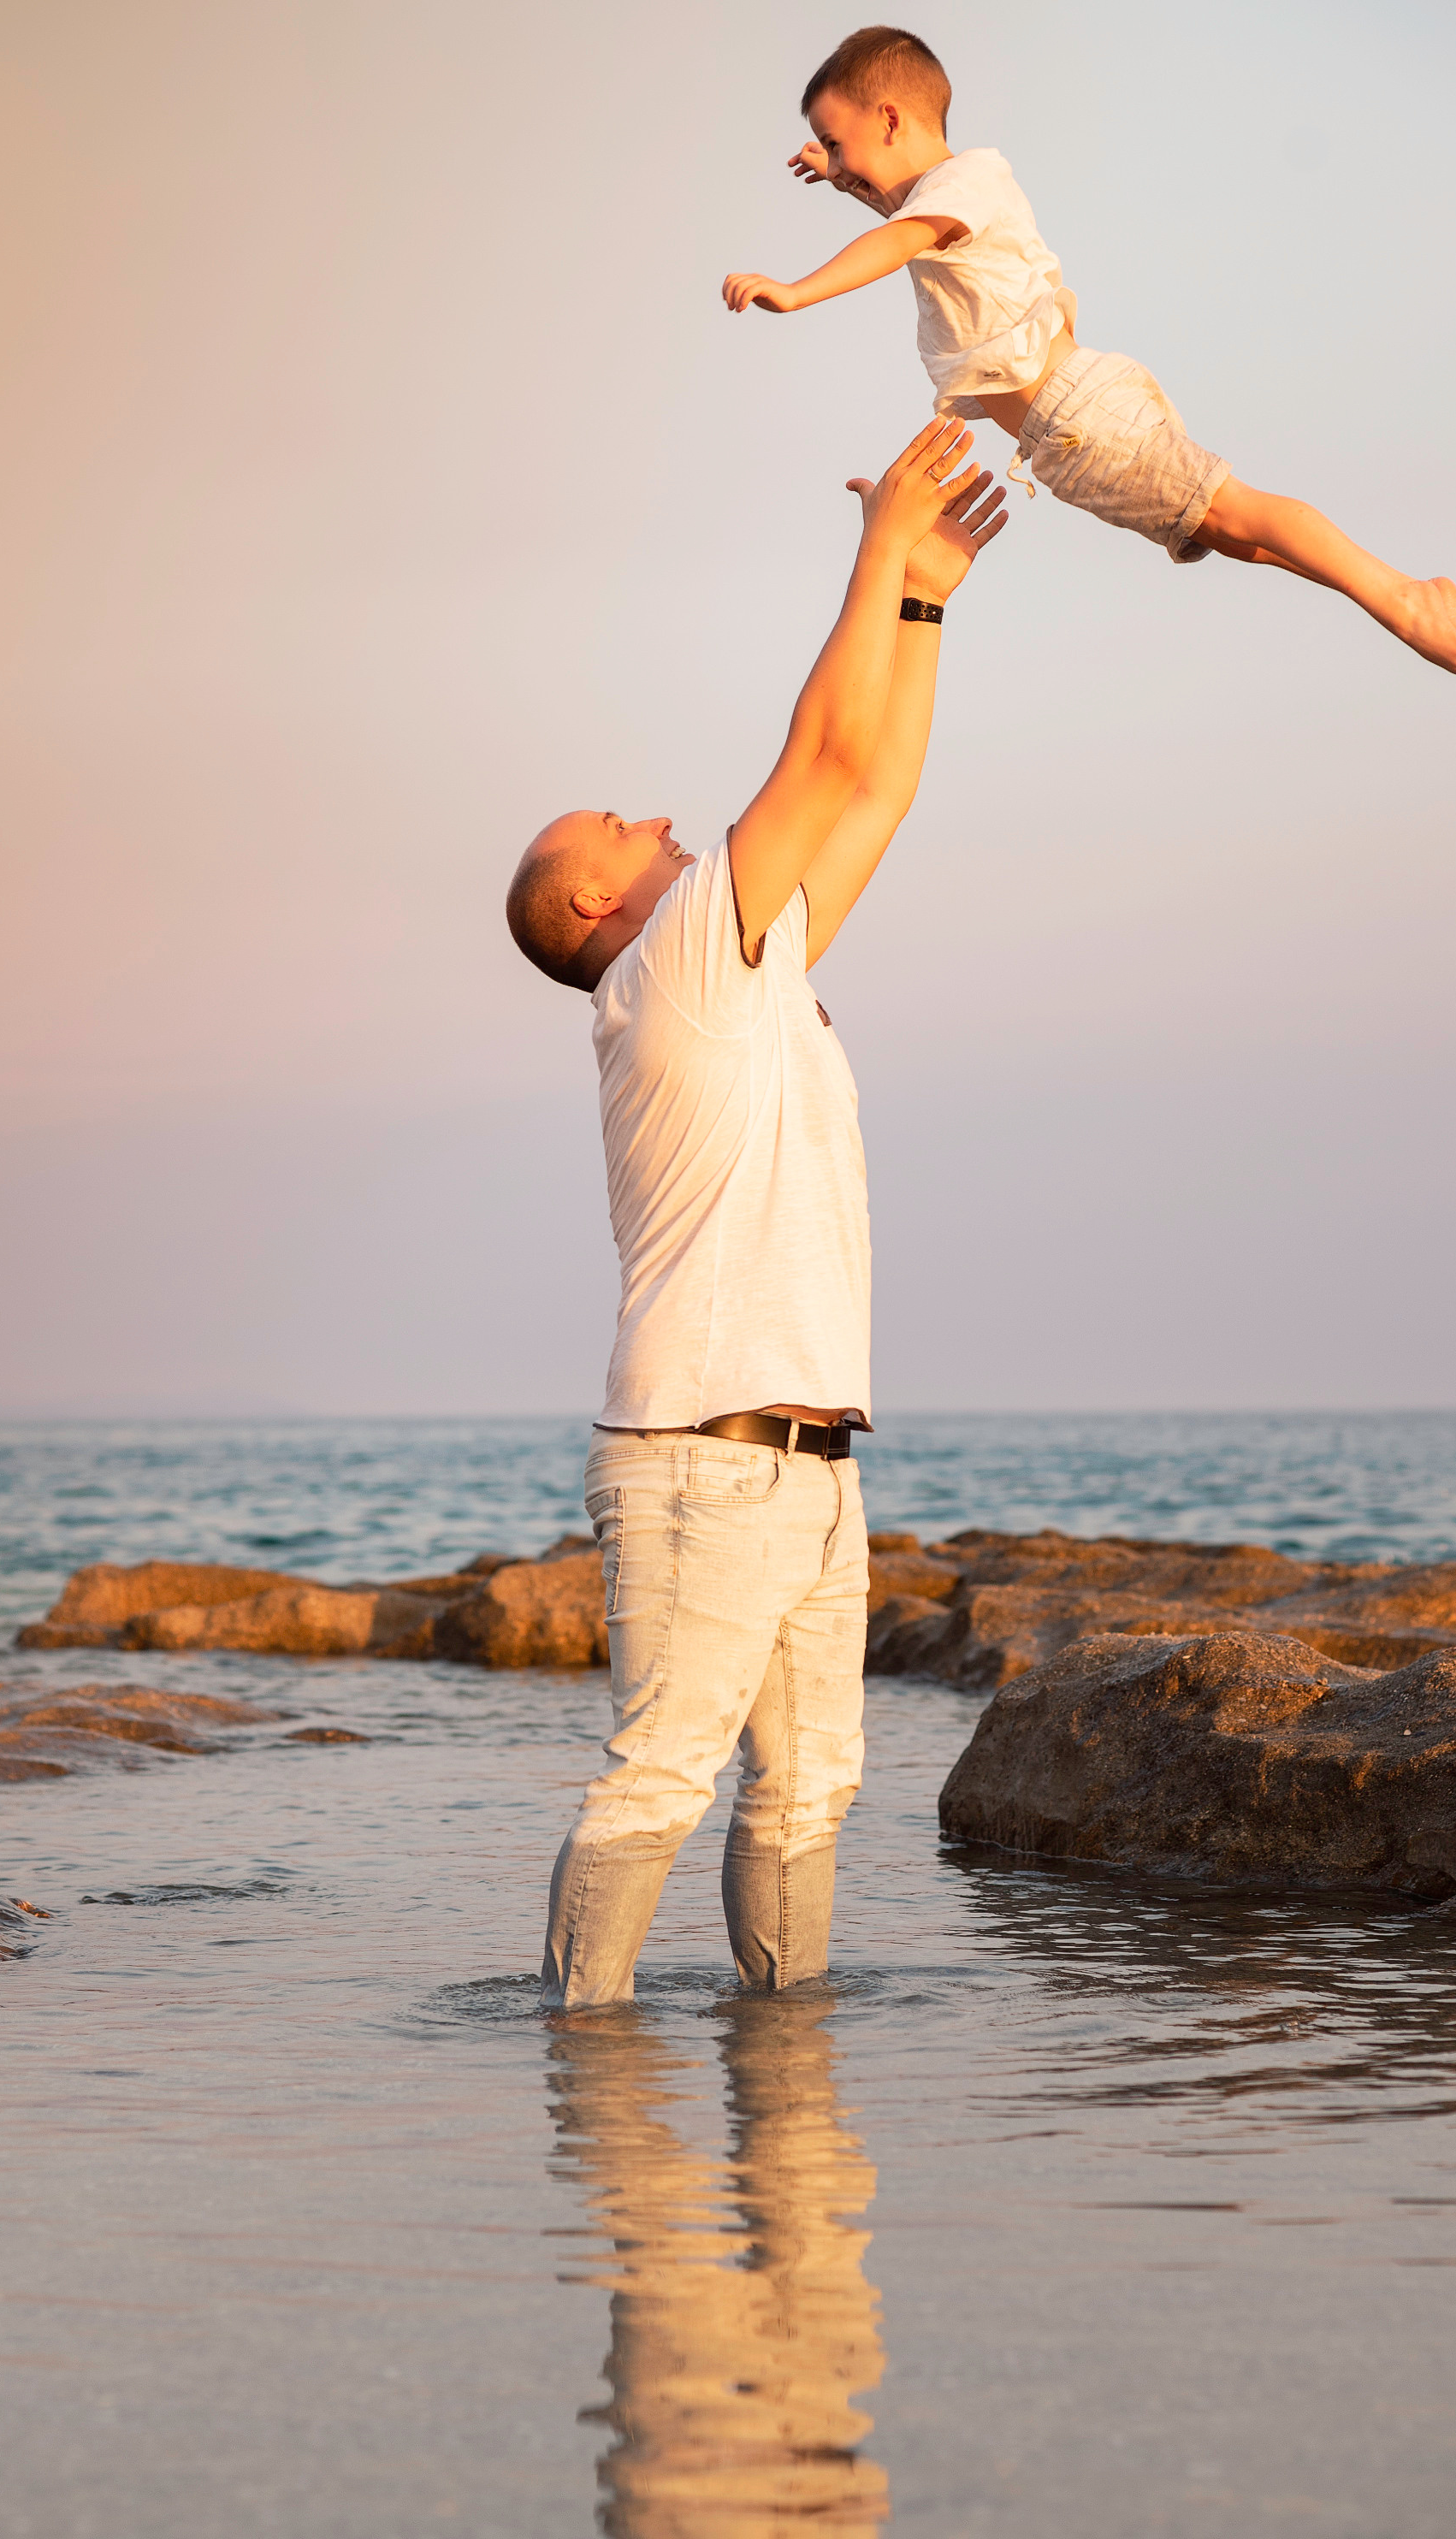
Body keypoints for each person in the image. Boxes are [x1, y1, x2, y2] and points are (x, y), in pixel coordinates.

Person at [507, 417, 1006, 2009]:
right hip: (701, 1457)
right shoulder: (664, 978)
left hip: (807, 1461)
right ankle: (582, 2079)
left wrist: (920, 602)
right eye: (618, 830)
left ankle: (783, 2091)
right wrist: (871, 555)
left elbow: (871, 791)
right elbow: (808, 763)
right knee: (660, 1770)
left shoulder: (747, 970)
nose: (656, 821)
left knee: (809, 1788)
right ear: (596, 906)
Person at [722, 24, 1456, 684]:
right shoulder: (939, 194)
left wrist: (797, 290)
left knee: (1239, 509)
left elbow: (896, 235)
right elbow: (891, 199)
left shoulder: (965, 186)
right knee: (1235, 536)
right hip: (1065, 440)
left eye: (838, 140)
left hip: (1081, 417)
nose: (840, 166)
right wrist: (838, 171)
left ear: (889, 119)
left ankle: (1406, 598)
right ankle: (1383, 598)